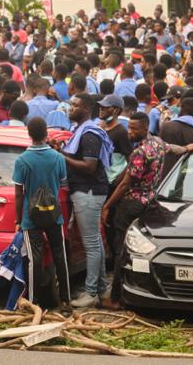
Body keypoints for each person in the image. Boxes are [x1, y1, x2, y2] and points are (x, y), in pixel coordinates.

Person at [101, 112, 193, 310]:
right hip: (150, 202)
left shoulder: (139, 153)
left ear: (145, 128)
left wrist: (107, 206)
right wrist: (188, 148)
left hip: (131, 203)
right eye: (129, 127)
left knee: (121, 249)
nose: (130, 132)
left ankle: (115, 298)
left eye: (134, 129)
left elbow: (125, 185)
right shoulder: (157, 143)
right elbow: (173, 149)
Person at [57, 93, 111, 308]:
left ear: (87, 109)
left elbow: (89, 167)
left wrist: (62, 157)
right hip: (85, 190)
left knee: (91, 243)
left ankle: (90, 293)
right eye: (71, 104)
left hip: (88, 191)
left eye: (75, 105)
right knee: (95, 241)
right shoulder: (79, 131)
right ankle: (101, 289)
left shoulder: (90, 134)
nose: (71, 108)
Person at [12, 117, 70, 311]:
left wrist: (18, 220)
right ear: (46, 133)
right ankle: (65, 300)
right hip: (54, 215)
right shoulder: (58, 158)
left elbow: (19, 194)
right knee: (59, 255)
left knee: (33, 259)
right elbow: (62, 183)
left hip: (31, 217)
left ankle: (33, 300)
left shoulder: (22, 161)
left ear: (29, 134)